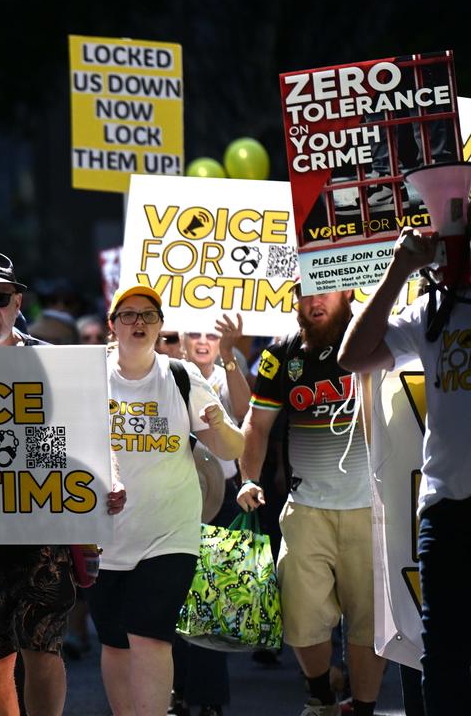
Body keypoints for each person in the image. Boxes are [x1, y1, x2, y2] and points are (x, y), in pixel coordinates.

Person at [0, 251, 126, 716]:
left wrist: (110, 480)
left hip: (41, 533)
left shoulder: (54, 362)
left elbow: (89, 436)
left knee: (43, 651)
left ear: (17, 301)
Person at [238, 280, 387, 716]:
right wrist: (248, 478)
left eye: (326, 291)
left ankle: (363, 709)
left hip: (372, 508)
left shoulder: (381, 339)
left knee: (368, 624)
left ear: (350, 293)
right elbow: (257, 425)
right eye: (305, 292)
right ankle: (320, 698)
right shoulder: (281, 353)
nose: (314, 301)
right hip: (306, 509)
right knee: (301, 620)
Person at [93, 284, 243, 716]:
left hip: (169, 532)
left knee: (150, 634)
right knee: (115, 642)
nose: (138, 323)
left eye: (148, 316)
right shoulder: (88, 375)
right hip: (104, 535)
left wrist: (219, 423)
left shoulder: (181, 376)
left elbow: (230, 448)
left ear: (160, 327)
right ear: (113, 324)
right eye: (129, 315)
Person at [338, 226, 469, 716]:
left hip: (446, 508)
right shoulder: (435, 311)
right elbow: (354, 356)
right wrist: (399, 271)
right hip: (445, 509)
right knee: (444, 657)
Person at [172, 316, 251, 716]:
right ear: (182, 337)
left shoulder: (226, 374)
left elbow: (247, 414)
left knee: (208, 600)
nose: (203, 341)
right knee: (171, 598)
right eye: (195, 333)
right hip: (174, 500)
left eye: (211, 334)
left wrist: (231, 359)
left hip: (219, 501)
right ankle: (176, 689)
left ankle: (208, 699)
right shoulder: (168, 376)